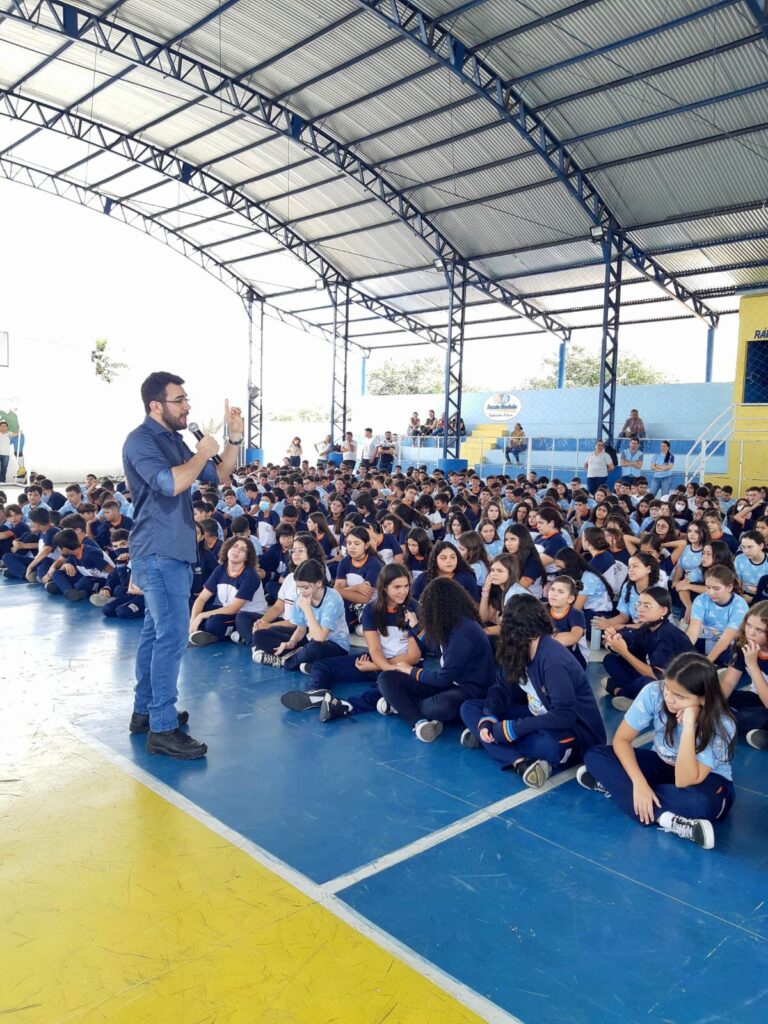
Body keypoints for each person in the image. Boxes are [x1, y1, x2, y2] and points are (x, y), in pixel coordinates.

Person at [122, 371, 243, 759]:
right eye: (180, 400)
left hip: (169, 551)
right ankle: (162, 727)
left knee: (155, 634)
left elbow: (219, 474)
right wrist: (202, 453)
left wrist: (233, 439)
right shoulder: (142, 441)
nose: (187, 406)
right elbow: (170, 483)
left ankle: (145, 712)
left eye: (187, 399)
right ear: (155, 405)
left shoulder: (175, 440)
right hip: (158, 551)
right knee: (172, 637)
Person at [580, 653, 736, 850]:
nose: (669, 698)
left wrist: (689, 726)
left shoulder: (721, 723)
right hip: (662, 764)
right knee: (595, 755)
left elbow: (684, 780)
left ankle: (619, 789)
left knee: (702, 804)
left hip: (706, 780)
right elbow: (622, 739)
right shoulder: (654, 692)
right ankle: (667, 819)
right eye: (668, 688)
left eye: (679, 696)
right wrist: (639, 783)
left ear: (703, 698)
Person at [460, 594, 606, 788]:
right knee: (469, 708)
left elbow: (565, 715)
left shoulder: (552, 660)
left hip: (575, 731)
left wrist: (513, 729)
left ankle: (489, 742)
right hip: (537, 715)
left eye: (505, 622)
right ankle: (520, 762)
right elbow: (501, 689)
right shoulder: (518, 649)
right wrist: (490, 717)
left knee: (546, 746)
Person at [279, 563, 421, 721]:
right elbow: (374, 649)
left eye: (406, 586)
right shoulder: (371, 610)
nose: (403, 591)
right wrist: (380, 665)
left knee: (385, 685)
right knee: (322, 666)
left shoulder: (414, 609)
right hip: (378, 660)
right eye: (397, 587)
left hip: (405, 667)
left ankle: (345, 706)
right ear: (385, 587)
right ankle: (316, 693)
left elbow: (414, 657)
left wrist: (378, 666)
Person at [373, 577, 495, 742]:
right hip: (448, 685)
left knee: (435, 707)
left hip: (469, 690)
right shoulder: (450, 623)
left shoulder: (463, 631)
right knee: (386, 678)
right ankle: (419, 722)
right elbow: (438, 650)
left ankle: (403, 706)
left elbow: (444, 677)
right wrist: (417, 627)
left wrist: (411, 670)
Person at [602, 587, 694, 710]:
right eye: (639, 604)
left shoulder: (668, 634)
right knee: (610, 660)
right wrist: (613, 638)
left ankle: (620, 691)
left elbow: (658, 677)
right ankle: (636, 695)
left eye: (646, 606)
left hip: (682, 685)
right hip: (660, 678)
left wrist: (624, 652)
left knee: (649, 683)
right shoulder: (647, 628)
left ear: (663, 610)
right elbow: (628, 638)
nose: (640, 609)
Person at [253, 558, 349, 672]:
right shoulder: (301, 597)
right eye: (299, 587)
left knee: (313, 648)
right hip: (310, 640)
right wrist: (291, 642)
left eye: (305, 587)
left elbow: (320, 638)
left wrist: (307, 608)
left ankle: (285, 662)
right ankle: (301, 659)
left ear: (318, 583)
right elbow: (301, 629)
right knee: (260, 635)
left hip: (334, 645)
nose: (301, 591)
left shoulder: (333, 598)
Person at [188, 536, 266, 645]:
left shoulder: (250, 575)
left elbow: (234, 608)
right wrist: (193, 619)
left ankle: (229, 633)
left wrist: (201, 616)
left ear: (247, 557)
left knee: (213, 622)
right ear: (227, 549)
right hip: (228, 611)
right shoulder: (220, 569)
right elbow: (201, 598)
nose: (237, 550)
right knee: (191, 606)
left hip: (248, 616)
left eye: (243, 549)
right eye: (235, 546)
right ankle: (208, 632)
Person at [720, 601, 768, 749]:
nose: (751, 633)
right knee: (714, 694)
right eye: (748, 625)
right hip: (759, 697)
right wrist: (709, 705)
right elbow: (728, 683)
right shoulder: (745, 644)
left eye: (759, 630)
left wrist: (753, 665)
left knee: (748, 718)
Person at [686, 565, 749, 666]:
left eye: (716, 588)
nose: (710, 592)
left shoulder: (740, 605)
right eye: (707, 587)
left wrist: (706, 663)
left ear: (729, 587)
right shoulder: (701, 599)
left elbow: (726, 639)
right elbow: (693, 631)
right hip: (704, 638)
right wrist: (684, 656)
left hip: (727, 644)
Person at [0, 418, 19, 483]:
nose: (3, 427)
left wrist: (19, 431)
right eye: (2, 426)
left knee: (4, 468)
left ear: (7, 428)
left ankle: (2, 480)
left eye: (5, 426)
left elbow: (16, 434)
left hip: (6, 454)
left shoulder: (9, 433)